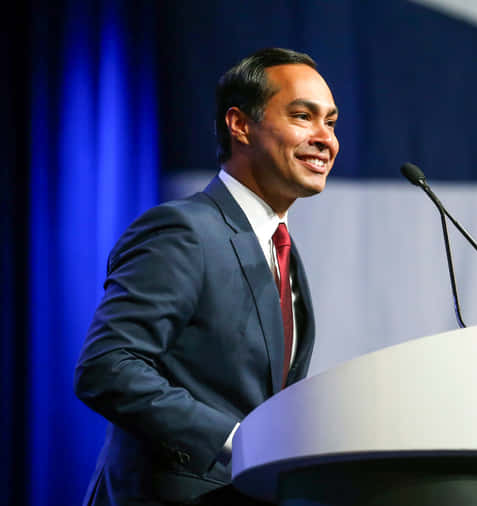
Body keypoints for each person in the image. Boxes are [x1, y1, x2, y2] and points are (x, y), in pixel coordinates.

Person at [74, 47, 339, 505]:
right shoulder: (184, 230)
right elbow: (107, 368)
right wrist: (236, 440)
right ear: (240, 125)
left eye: (331, 123)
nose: (325, 138)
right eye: (303, 116)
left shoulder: (282, 250)